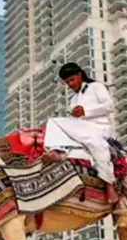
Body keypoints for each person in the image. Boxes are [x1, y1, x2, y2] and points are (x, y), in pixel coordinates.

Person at [43, 62, 118, 203]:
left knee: (97, 145)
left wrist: (86, 111)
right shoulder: (73, 99)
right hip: (81, 129)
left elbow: (109, 106)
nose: (70, 84)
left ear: (79, 75)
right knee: (53, 121)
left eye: (71, 80)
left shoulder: (96, 87)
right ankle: (58, 151)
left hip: (99, 128)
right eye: (67, 82)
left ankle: (109, 185)